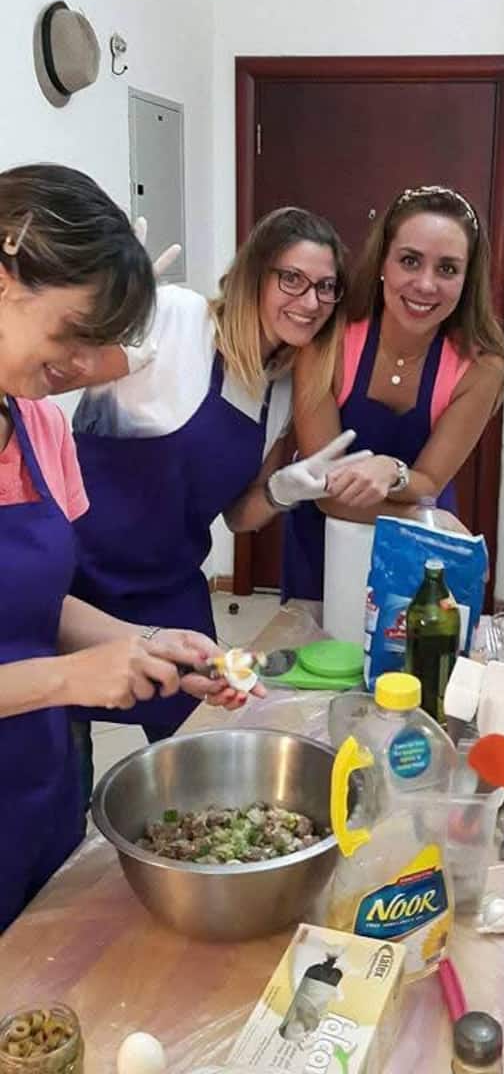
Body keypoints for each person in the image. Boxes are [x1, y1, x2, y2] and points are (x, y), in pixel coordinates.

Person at [0, 163, 232, 931]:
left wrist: (150, 645)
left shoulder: (38, 427)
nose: (75, 366)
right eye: (71, 332)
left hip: (38, 792)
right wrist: (76, 676)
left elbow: (39, 602)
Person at [63, 206, 361, 759]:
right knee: (62, 758)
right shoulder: (176, 318)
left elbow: (237, 515)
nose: (311, 300)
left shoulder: (281, 395)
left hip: (170, 589)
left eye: (326, 287)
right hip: (76, 580)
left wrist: (281, 493)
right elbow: (56, 369)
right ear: (254, 274)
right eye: (291, 278)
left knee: (199, 755)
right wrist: (96, 317)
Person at [282, 185, 504, 599]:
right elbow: (325, 491)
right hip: (329, 543)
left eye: (447, 269)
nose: (425, 285)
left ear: (467, 280)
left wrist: (392, 470)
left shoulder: (481, 369)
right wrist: (426, 519)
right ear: (383, 263)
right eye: (410, 261)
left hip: (418, 559)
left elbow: (429, 479)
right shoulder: (327, 343)